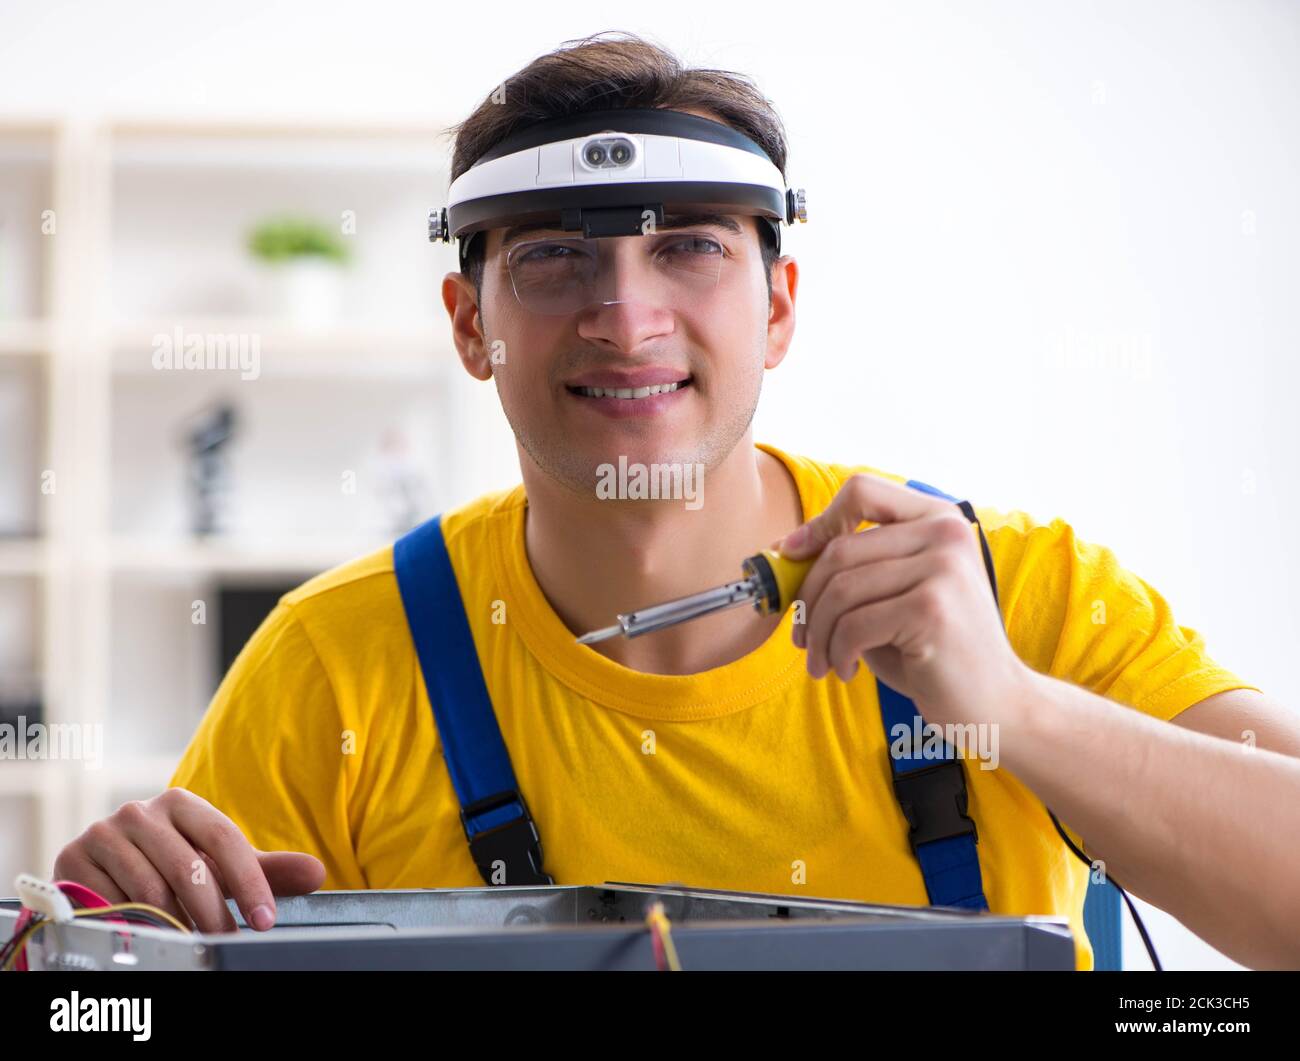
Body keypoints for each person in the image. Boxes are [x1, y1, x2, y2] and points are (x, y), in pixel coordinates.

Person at [52, 32, 1300, 970]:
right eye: (551, 256)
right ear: (468, 325)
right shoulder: (336, 665)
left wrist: (1018, 707)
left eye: (690, 245)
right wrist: (93, 948)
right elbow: (133, 981)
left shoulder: (1011, 588)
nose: (625, 314)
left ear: (778, 304)